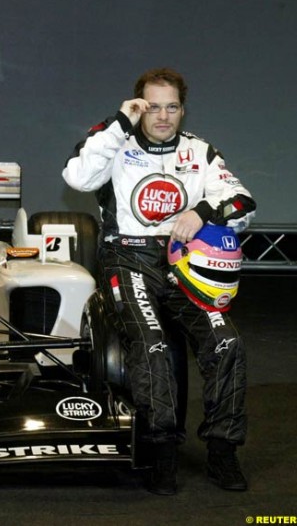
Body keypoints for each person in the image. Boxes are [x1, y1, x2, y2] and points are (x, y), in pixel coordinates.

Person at [62, 68, 256, 495]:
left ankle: (223, 450)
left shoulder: (200, 152)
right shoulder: (114, 142)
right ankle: (160, 451)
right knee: (151, 342)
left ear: (182, 110)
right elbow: (77, 177)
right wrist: (119, 122)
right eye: (152, 107)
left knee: (227, 342)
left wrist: (202, 212)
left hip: (184, 263)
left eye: (171, 107)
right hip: (126, 258)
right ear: (138, 107)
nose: (163, 116)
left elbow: (243, 202)